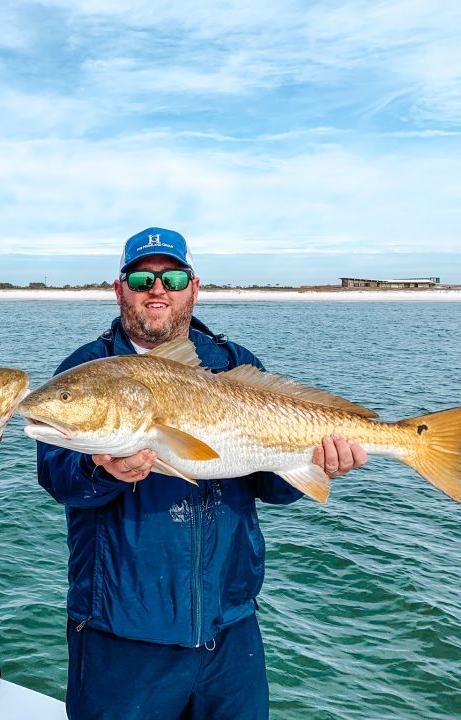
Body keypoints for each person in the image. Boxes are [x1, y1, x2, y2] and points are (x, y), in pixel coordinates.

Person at [36, 227, 368, 720]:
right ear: (119, 288)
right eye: (142, 277)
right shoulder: (88, 369)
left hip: (229, 627)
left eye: (172, 277)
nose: (157, 289)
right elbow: (56, 475)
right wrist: (102, 469)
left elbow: (270, 482)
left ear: (193, 287)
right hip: (122, 629)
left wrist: (319, 463)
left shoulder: (233, 365)